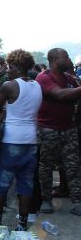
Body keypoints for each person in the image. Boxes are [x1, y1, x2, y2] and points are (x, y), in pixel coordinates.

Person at [0, 50, 42, 230]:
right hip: (31, 141)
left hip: (11, 140)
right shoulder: (37, 86)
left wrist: (1, 111)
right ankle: (22, 224)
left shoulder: (9, 86)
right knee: (25, 184)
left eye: (11, 67)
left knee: (1, 183)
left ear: (17, 67)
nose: (9, 70)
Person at [36, 48, 81, 216]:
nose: (69, 60)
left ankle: (77, 201)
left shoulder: (69, 78)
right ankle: (46, 200)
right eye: (66, 57)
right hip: (49, 130)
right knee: (46, 166)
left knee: (73, 166)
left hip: (69, 129)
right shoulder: (44, 78)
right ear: (55, 60)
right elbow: (60, 94)